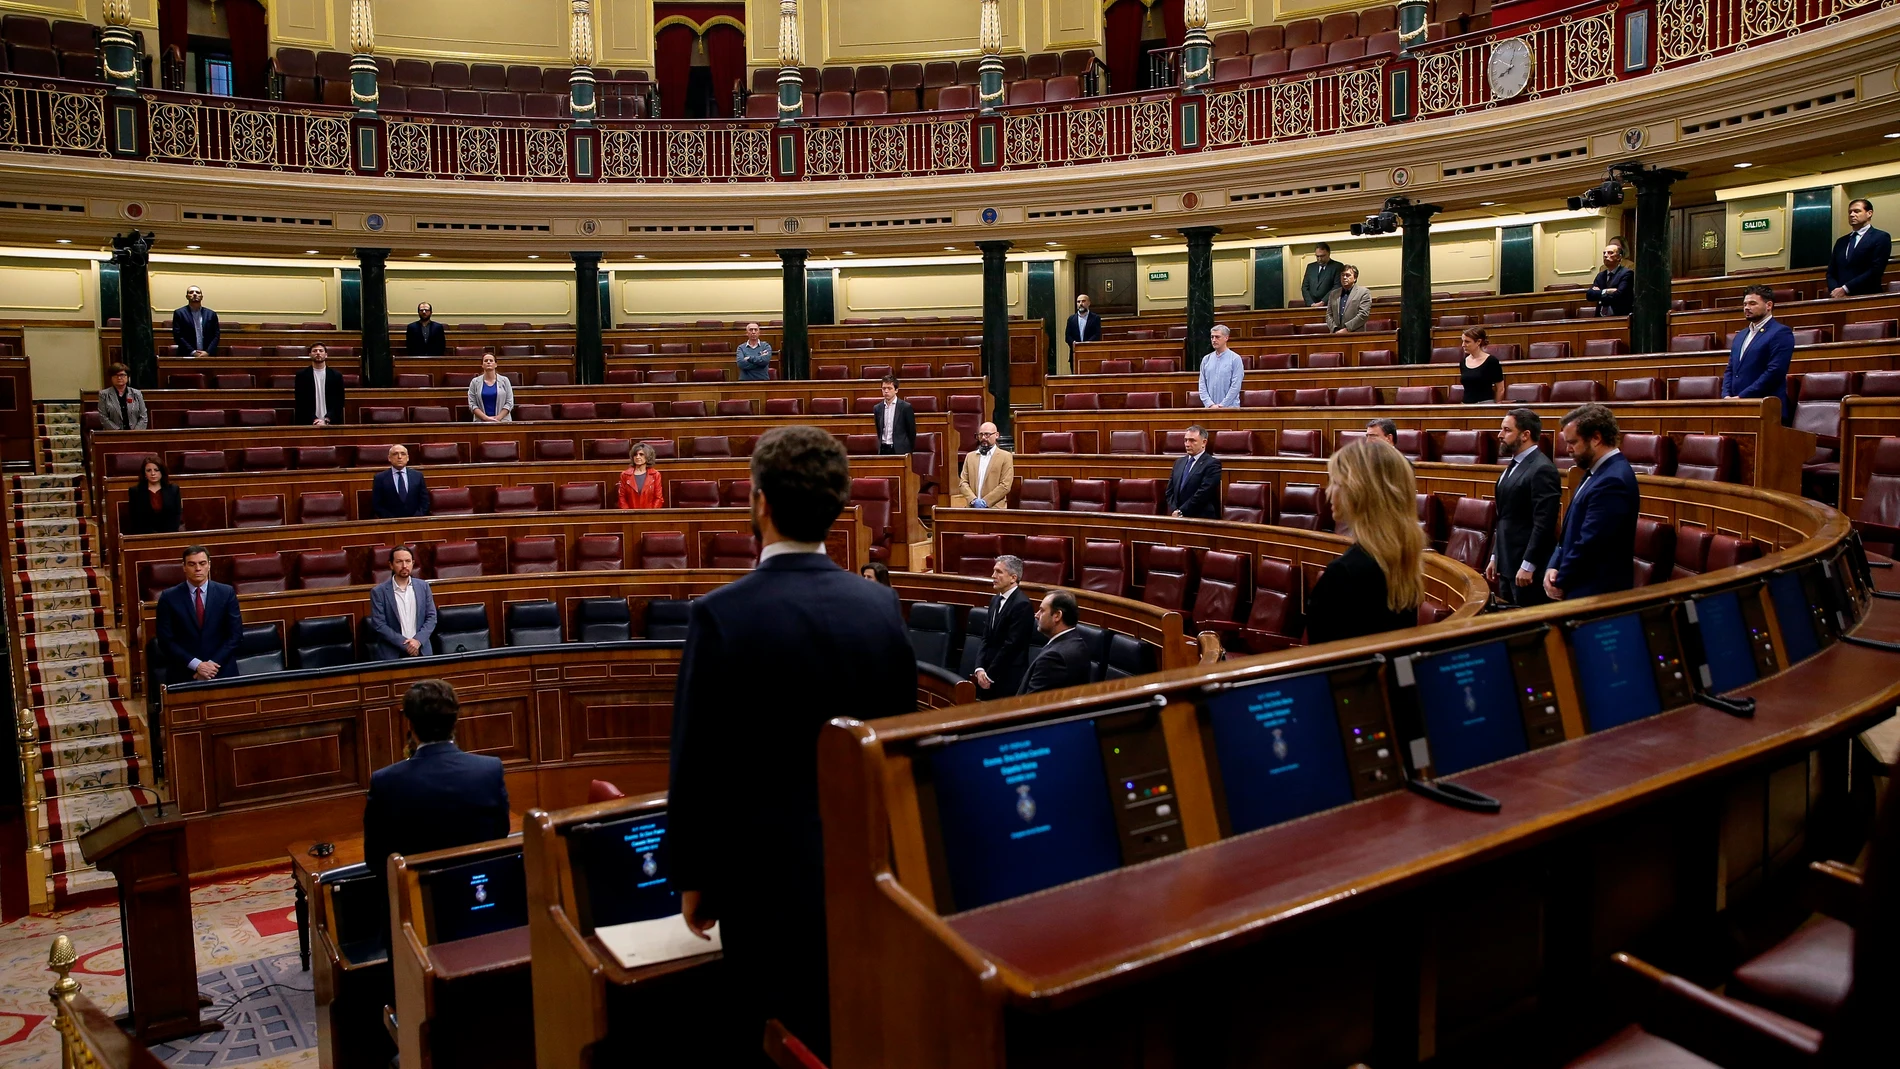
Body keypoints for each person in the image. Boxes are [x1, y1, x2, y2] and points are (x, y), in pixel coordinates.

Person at [669, 425, 915, 1063]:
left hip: (761, 886)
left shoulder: (720, 615)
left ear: (760, 504)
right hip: (863, 874)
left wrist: (695, 878)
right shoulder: (879, 607)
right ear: (836, 509)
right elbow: (895, 744)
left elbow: (698, 763)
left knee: (771, 1035)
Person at [361, 680, 509, 887]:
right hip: (480, 891)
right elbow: (500, 834)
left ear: (410, 725)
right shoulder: (489, 770)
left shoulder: (386, 782)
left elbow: (376, 860)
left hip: (416, 901)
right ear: (455, 721)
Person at [1304, 439, 1423, 644]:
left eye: (1336, 483)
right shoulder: (1401, 560)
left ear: (1359, 492)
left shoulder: (1343, 574)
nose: (1328, 491)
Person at [1544, 403, 1640, 601]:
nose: (1567, 449)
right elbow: (1569, 533)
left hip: (1595, 594)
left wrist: (1561, 579)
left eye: (1572, 442)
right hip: (1581, 588)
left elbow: (1591, 543)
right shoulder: (1595, 472)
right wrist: (1553, 565)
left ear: (1596, 438)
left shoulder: (1612, 481)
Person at [1489, 408, 1560, 608]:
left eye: (1506, 430)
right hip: (1507, 564)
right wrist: (1496, 555)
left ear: (1525, 435)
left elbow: (1544, 523)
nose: (1500, 435)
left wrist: (1529, 564)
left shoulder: (1541, 468)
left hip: (1526, 570)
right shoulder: (1514, 465)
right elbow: (1504, 516)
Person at [154, 545, 242, 683]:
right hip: (184, 673)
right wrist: (197, 665)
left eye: (202, 563)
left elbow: (235, 635)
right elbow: (166, 640)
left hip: (222, 670)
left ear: (209, 565)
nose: (198, 568)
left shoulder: (226, 593)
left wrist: (211, 666)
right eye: (192, 564)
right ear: (184, 567)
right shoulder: (169, 597)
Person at [1723, 284, 1795, 425]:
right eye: (1744, 304)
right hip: (1738, 408)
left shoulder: (1780, 332)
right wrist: (1726, 396)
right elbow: (1730, 369)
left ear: (1769, 305)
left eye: (1752, 303)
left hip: (1766, 409)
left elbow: (1775, 372)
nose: (1746, 308)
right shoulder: (1740, 336)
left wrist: (1743, 396)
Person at [973, 555, 1034, 700]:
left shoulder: (1022, 605)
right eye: (994, 571)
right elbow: (986, 637)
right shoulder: (995, 599)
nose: (993, 576)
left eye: (999, 572)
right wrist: (979, 668)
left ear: (1013, 578)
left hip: (1008, 677)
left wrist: (990, 675)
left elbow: (1011, 646)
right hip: (988, 673)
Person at [367, 546, 438, 660]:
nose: (404, 566)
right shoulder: (378, 592)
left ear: (413, 563)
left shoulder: (423, 587)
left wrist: (418, 641)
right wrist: (407, 645)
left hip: (422, 651)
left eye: (408, 561)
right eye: (399, 562)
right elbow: (379, 625)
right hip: (392, 655)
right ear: (391, 565)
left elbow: (431, 617)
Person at [1018, 590, 1093, 695]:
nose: (1037, 615)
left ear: (1057, 615)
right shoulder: (1077, 642)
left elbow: (1031, 704)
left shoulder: (1053, 658)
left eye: (1042, 610)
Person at [1826, 199, 1890, 298]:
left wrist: (1845, 289)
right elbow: (1831, 272)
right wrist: (1836, 290)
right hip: (1840, 298)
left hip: (1867, 296)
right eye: (1850, 212)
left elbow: (1876, 269)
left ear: (1869, 213)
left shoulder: (1880, 237)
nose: (1852, 214)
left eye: (1857, 211)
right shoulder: (1841, 242)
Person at [1167, 424, 1223, 519]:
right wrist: (1175, 510)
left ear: (1204, 442)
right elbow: (1169, 491)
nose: (1187, 444)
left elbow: (1203, 493)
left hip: (1201, 518)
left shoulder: (1212, 464)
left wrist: (1181, 511)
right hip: (1177, 516)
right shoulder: (1179, 462)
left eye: (1192, 440)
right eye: (1186, 440)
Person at [956, 421, 1012, 508]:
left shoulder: (1005, 456)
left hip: (995, 509)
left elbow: (1005, 485)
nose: (983, 438)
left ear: (996, 435)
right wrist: (973, 500)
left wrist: (986, 502)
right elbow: (963, 482)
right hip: (972, 508)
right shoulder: (970, 456)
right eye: (980, 435)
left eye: (987, 434)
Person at [124, 456, 182, 535]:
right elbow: (135, 518)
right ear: (144, 473)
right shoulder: (135, 491)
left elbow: (177, 515)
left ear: (162, 472)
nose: (153, 473)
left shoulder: (173, 489)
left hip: (169, 534)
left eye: (156, 470)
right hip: (144, 536)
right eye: (148, 470)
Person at [371, 445, 430, 519]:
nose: (399, 457)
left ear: (408, 458)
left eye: (403, 454)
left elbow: (425, 501)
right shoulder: (380, 478)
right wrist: (391, 519)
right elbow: (377, 504)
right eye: (395, 454)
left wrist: (416, 518)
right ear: (389, 458)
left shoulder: (418, 476)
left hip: (415, 522)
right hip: (390, 523)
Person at [294, 343, 346, 426]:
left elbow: (339, 401)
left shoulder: (336, 376)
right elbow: (301, 401)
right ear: (310, 355)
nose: (318, 353)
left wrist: (328, 419)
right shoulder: (302, 376)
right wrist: (314, 419)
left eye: (321, 351)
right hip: (308, 422)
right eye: (314, 351)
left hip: (332, 422)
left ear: (326, 355)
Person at [1198, 325, 1243, 409]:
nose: (1214, 340)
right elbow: (1202, 384)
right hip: (1209, 409)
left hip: (1230, 409)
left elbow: (1236, 386)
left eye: (1217, 337)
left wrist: (1222, 405)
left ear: (1226, 338)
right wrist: (1210, 404)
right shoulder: (1206, 359)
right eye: (1212, 337)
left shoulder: (1235, 359)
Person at [170, 285, 219, 357]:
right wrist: (193, 352)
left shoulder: (211, 314)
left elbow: (216, 336)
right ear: (187, 296)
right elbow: (178, 336)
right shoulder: (179, 313)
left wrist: (208, 352)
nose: (195, 294)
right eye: (191, 292)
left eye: (198, 292)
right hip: (187, 355)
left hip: (208, 356)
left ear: (202, 297)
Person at [1459, 326, 1505, 404]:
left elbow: (1500, 388)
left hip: (1485, 405)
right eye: (1462, 341)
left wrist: (1495, 407)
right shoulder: (1463, 362)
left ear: (1478, 342)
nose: (1463, 345)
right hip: (1466, 405)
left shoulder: (1491, 361)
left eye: (1467, 342)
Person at [1586, 243, 1634, 316]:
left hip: (1620, 317)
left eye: (1610, 253)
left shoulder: (1627, 273)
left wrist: (1599, 294)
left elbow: (1619, 295)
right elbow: (1589, 295)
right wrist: (1607, 291)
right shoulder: (1601, 275)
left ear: (1619, 257)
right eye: (1604, 253)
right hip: (1600, 318)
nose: (1605, 255)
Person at [872, 374, 915, 455]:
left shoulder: (905, 407)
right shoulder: (877, 408)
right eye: (884, 388)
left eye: (889, 388)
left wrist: (908, 449)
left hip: (900, 449)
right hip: (883, 449)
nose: (886, 391)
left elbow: (911, 432)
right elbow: (879, 430)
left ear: (896, 390)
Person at [97, 362, 148, 431]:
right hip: (114, 435)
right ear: (111, 378)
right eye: (115, 375)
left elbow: (143, 417)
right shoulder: (104, 394)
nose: (119, 378)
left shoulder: (137, 393)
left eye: (122, 375)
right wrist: (119, 433)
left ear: (127, 377)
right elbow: (103, 417)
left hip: (135, 434)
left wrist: (135, 433)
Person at [468, 352, 514, 423]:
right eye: (486, 361)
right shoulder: (475, 382)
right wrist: (486, 418)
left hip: (502, 421)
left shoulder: (505, 380)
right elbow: (472, 404)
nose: (488, 362)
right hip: (481, 422)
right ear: (482, 365)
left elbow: (509, 403)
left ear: (496, 364)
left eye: (491, 360)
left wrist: (498, 418)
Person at [1325, 265, 1371, 333]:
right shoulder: (1333, 294)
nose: (1344, 277)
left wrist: (1346, 329)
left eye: (1348, 275)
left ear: (1355, 278)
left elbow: (1363, 315)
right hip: (1336, 334)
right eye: (1342, 275)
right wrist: (1335, 329)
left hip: (1355, 333)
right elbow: (1329, 314)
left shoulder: (1363, 292)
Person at [617, 442, 664, 509]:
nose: (637, 457)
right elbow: (622, 498)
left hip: (650, 515)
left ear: (648, 456)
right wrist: (628, 514)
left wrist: (651, 514)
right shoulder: (625, 475)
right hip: (630, 516)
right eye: (635, 455)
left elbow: (658, 498)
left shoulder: (655, 475)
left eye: (641, 454)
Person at [1301, 243, 1343, 307]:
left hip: (1329, 305)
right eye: (1317, 256)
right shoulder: (1310, 267)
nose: (1319, 259)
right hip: (1311, 306)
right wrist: (1311, 303)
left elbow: (1337, 286)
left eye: (1322, 256)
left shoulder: (1337, 266)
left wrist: (1323, 302)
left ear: (1328, 254)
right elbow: (1305, 287)